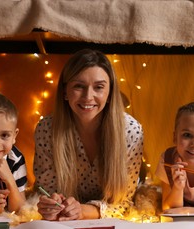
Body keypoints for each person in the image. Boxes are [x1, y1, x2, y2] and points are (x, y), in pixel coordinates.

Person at [34, 49, 144, 220]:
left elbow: (123, 203)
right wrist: (52, 205)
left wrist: (83, 211)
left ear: (109, 94)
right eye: (79, 86)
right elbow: (46, 190)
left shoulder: (130, 131)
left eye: (99, 87)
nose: (88, 97)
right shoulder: (46, 129)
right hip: (66, 219)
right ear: (64, 91)